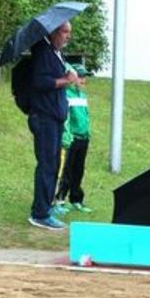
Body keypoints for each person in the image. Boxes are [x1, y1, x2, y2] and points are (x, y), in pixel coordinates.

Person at [26, 20, 79, 230]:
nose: (68, 36)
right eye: (65, 32)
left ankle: (47, 206)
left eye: (69, 32)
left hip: (55, 117)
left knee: (54, 164)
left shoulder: (56, 53)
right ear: (54, 32)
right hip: (44, 117)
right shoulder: (42, 52)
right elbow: (40, 82)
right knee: (47, 164)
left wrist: (70, 77)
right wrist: (66, 80)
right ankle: (39, 214)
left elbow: (57, 78)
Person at [55, 63, 94, 214]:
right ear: (72, 77)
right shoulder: (66, 94)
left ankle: (76, 199)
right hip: (71, 139)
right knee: (66, 171)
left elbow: (85, 116)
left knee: (78, 170)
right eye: (81, 77)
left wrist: (87, 133)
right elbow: (65, 118)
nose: (83, 80)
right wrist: (67, 135)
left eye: (85, 77)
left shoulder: (82, 95)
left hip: (83, 138)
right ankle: (59, 200)